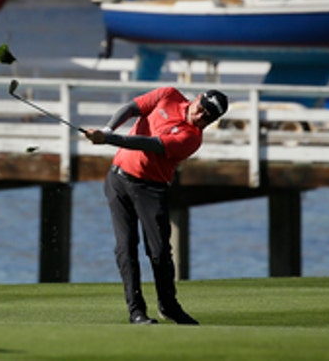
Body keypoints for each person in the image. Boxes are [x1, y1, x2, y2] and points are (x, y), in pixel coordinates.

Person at [84, 87, 228, 325]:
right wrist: (108, 129)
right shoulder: (168, 95)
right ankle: (136, 312)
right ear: (197, 99)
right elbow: (131, 108)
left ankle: (169, 306)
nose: (201, 117)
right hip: (117, 180)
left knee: (159, 251)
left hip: (150, 189)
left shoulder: (191, 138)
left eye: (209, 117)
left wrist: (107, 139)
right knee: (126, 248)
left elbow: (149, 144)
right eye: (203, 109)